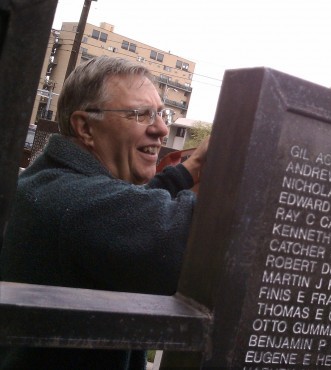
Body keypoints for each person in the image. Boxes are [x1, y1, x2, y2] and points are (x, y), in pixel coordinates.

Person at [0, 56, 209, 369]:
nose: (162, 129)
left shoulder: (52, 181)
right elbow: (198, 239)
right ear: (85, 127)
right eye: (141, 114)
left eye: (162, 114)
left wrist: (191, 169)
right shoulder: (75, 203)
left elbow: (129, 205)